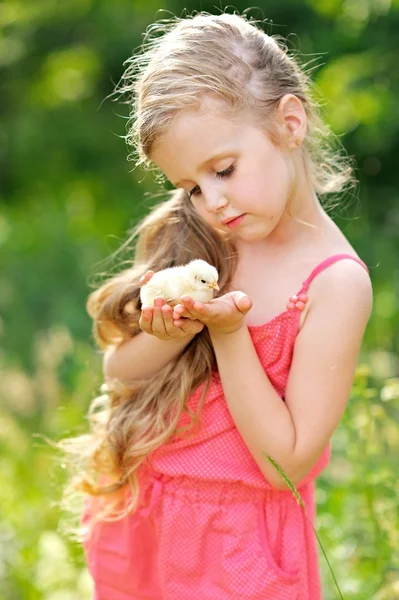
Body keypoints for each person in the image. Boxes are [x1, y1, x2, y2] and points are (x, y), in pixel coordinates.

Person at [68, 11, 373, 600]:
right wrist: (176, 329)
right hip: (152, 513)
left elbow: (285, 460)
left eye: (224, 169)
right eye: (189, 186)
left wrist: (231, 336)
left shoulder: (335, 285)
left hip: (239, 547)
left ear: (289, 123)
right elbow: (120, 373)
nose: (211, 201)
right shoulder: (205, 241)